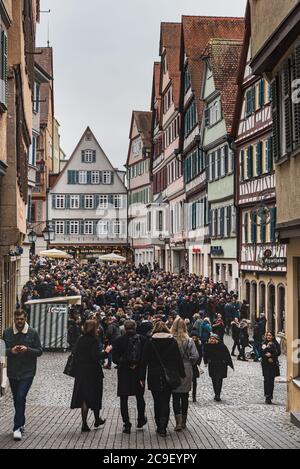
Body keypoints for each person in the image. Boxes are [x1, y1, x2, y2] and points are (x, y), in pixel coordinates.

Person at [140, 321, 185, 438]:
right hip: (168, 375)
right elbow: (178, 359)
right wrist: (181, 373)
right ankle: (163, 427)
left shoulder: (150, 342)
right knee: (165, 400)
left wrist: (141, 377)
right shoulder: (172, 342)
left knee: (157, 401)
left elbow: (143, 361)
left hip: (154, 374)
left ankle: (158, 424)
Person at [3, 309, 43, 441]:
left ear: (25, 319)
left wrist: (28, 350)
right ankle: (22, 420)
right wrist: (11, 350)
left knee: (20, 396)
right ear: (14, 319)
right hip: (13, 371)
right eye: (17, 319)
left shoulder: (33, 332)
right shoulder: (7, 332)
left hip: (28, 371)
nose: (19, 321)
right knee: (17, 399)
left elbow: (39, 351)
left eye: (21, 319)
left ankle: (17, 428)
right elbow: (2, 351)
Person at [70, 320, 111, 432]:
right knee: (95, 394)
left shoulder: (80, 339)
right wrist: (106, 352)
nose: (98, 329)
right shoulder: (94, 340)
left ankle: (84, 423)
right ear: (93, 329)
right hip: (93, 372)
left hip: (81, 371)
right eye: (97, 327)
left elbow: (75, 352)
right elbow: (95, 356)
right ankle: (97, 419)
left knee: (84, 396)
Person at [112, 320, 147, 434]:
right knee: (140, 397)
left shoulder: (119, 340)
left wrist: (125, 363)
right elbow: (145, 358)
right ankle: (141, 419)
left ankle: (126, 423)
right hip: (138, 372)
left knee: (124, 398)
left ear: (124, 328)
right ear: (135, 327)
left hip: (124, 372)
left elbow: (115, 359)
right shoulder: (142, 339)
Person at [171, 318, 199, 431]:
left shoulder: (171, 340)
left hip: (174, 369)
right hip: (186, 368)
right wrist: (189, 362)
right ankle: (183, 422)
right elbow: (195, 356)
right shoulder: (189, 340)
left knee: (175, 396)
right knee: (185, 396)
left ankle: (178, 422)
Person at [204, 334, 234, 402]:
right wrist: (206, 362)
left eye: (213, 339)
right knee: (214, 380)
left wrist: (226, 362)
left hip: (220, 366)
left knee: (219, 380)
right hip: (212, 365)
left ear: (216, 340)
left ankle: (218, 394)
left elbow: (227, 355)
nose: (212, 340)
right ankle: (216, 393)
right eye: (211, 338)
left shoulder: (222, 346)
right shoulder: (208, 346)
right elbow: (205, 354)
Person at [261, 331, 281, 405]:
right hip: (265, 364)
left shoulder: (275, 344)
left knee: (271, 381)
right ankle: (267, 396)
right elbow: (261, 353)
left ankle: (270, 396)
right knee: (266, 380)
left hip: (272, 364)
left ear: (273, 336)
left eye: (270, 335)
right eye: (267, 335)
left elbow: (278, 352)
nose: (268, 336)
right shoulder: (264, 343)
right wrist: (267, 356)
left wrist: (271, 356)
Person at [190, 330, 203, 403]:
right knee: (188, 381)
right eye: (193, 338)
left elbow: (201, 355)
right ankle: (187, 393)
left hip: (195, 365)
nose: (194, 339)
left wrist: (198, 363)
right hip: (189, 364)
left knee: (194, 381)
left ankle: (194, 396)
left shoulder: (199, 344)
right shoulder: (188, 344)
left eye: (195, 338)